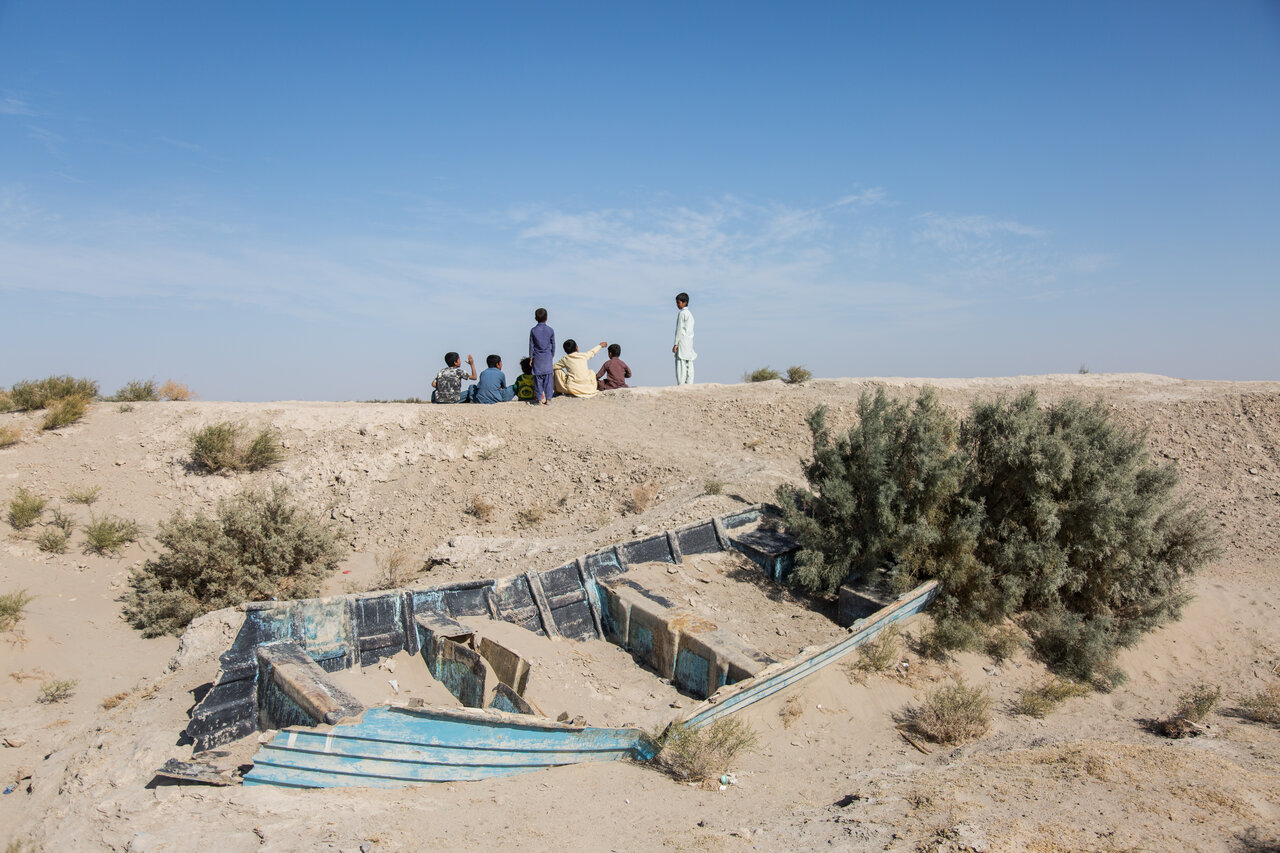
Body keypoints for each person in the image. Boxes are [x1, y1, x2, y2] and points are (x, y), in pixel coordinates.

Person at [529, 308, 556, 406]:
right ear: (547, 318)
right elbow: (553, 344)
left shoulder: (533, 330)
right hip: (547, 356)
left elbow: (531, 345)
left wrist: (531, 357)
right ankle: (548, 400)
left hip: (537, 357)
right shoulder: (550, 330)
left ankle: (539, 400)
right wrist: (552, 355)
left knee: (538, 380)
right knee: (548, 380)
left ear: (535, 318)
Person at [673, 292, 696, 385]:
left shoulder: (682, 313)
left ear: (684, 302)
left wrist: (675, 343)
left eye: (678, 302)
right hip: (689, 341)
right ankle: (690, 382)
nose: (677, 305)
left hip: (682, 340)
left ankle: (681, 383)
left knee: (681, 362)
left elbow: (679, 330)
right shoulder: (690, 314)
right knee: (689, 362)